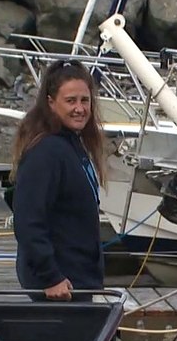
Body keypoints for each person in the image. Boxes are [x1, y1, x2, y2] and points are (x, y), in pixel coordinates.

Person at [10, 60, 107, 300]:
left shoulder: (72, 144)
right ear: (51, 103)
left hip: (80, 278)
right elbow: (28, 220)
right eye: (71, 101)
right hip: (60, 287)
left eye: (85, 100)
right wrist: (50, 277)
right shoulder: (46, 151)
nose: (80, 108)